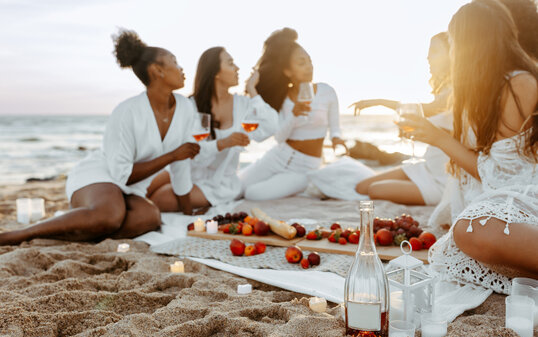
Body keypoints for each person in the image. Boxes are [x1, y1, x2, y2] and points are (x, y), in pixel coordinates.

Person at [0, 30, 200, 245]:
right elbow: (123, 174)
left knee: (149, 217)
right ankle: (20, 235)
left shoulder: (186, 108)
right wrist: (172, 156)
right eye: (175, 62)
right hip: (101, 175)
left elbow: (181, 164)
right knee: (110, 216)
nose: (181, 69)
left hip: (132, 189)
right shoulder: (126, 111)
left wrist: (188, 214)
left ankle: (81, 223)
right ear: (157, 70)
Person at [399, 0, 538, 292]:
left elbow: (511, 175)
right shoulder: (480, 91)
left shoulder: (519, 84)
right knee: (463, 231)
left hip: (527, 192)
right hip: (506, 197)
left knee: (470, 230)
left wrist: (439, 138)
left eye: (453, 43)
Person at [148, 47, 278, 210]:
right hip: (188, 170)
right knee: (145, 187)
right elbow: (190, 152)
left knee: (160, 197)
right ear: (216, 72)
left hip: (219, 183)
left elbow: (272, 126)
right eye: (231, 64)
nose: (237, 68)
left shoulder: (243, 104)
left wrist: (253, 90)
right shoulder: (191, 105)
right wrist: (222, 143)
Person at [239, 28, 346, 200]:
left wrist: (337, 140)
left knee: (252, 194)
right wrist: (294, 115)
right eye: (301, 63)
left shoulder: (327, 91)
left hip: (305, 168)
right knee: (236, 187)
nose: (309, 67)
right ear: (287, 71)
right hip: (278, 157)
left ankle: (301, 187)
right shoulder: (283, 99)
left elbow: (335, 127)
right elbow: (279, 137)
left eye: (309, 61)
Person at [354, 32, 453, 205]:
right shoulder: (443, 90)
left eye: (435, 51)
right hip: (428, 166)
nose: (428, 57)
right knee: (361, 187)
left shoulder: (456, 92)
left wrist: (379, 102)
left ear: (452, 54)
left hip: (444, 179)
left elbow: (422, 110)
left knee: (374, 190)